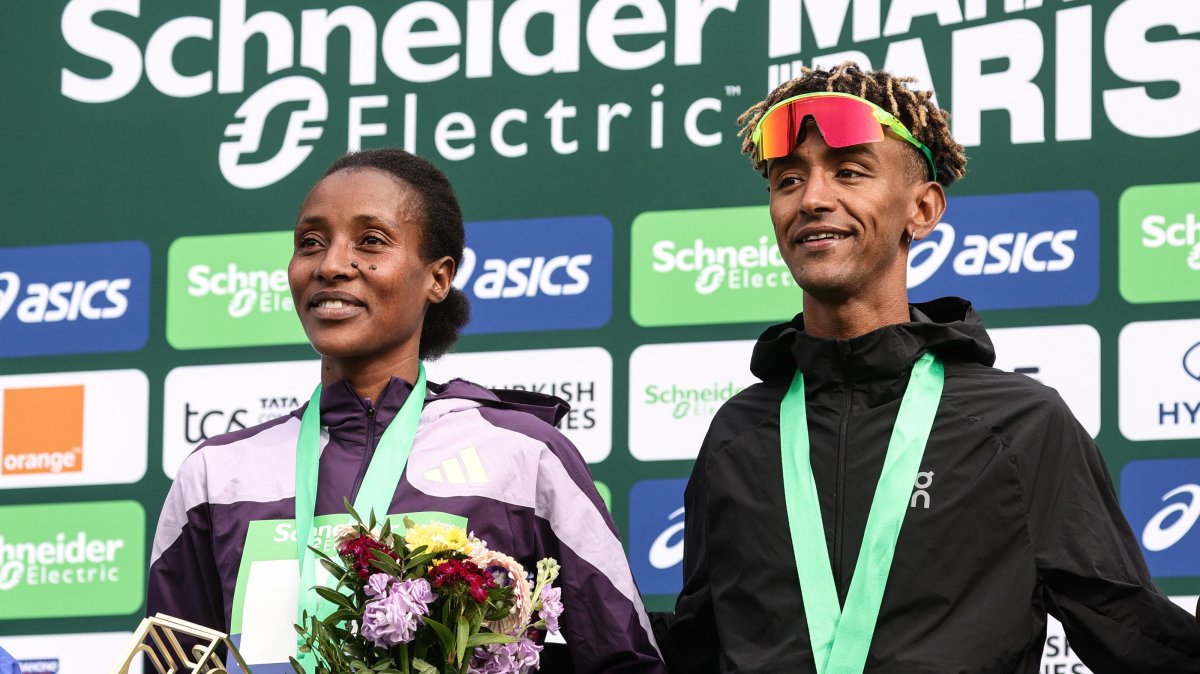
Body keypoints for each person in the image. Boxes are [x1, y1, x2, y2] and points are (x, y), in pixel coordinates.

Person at [651, 62, 1200, 673]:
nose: (813, 199)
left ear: (924, 208)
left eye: (850, 173)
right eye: (787, 180)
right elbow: (698, 649)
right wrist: (537, 626)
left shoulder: (1019, 426)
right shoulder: (739, 433)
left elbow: (1138, 637)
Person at [147, 148, 666, 674]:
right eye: (311, 242)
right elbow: (170, 665)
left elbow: (624, 662)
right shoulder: (215, 477)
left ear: (437, 278)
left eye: (371, 241)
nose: (330, 265)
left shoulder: (524, 455)